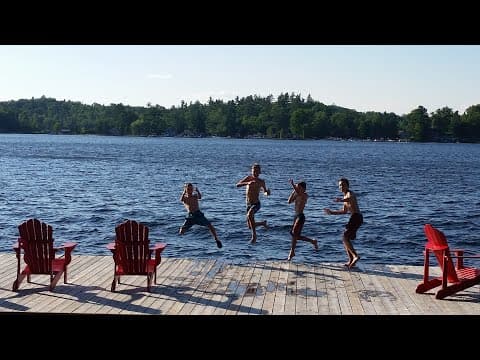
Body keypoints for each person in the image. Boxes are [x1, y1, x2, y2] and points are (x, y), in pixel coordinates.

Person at [324, 177, 363, 268]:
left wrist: (341, 200)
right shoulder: (345, 196)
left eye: (343, 185)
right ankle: (350, 260)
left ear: (347, 186)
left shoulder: (350, 194)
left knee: (345, 237)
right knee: (345, 238)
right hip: (355, 218)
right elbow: (344, 211)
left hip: (356, 217)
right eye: (340, 185)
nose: (341, 187)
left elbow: (350, 199)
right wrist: (331, 212)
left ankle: (355, 256)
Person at [179, 183, 222, 248]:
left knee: (210, 226)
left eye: (191, 189)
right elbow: (181, 200)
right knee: (181, 231)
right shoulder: (185, 198)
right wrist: (184, 192)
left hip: (198, 214)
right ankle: (182, 242)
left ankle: (217, 239)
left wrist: (198, 191)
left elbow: (200, 197)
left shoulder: (195, 196)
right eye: (188, 189)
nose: (190, 190)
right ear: (186, 190)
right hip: (190, 216)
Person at [236, 163, 270, 243]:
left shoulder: (261, 181)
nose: (255, 173)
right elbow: (237, 185)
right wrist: (247, 183)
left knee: (250, 214)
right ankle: (262, 223)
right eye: (254, 171)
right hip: (248, 204)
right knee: (249, 226)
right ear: (252, 171)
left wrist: (267, 193)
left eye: (257, 171)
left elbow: (264, 192)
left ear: (260, 172)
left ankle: (254, 237)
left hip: (256, 204)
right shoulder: (248, 178)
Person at [287, 179, 318, 261]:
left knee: (294, 234)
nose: (298, 189)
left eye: (299, 188)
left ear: (304, 189)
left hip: (301, 216)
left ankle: (292, 251)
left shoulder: (304, 195)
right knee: (295, 236)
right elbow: (289, 201)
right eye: (298, 188)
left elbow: (299, 192)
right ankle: (312, 241)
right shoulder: (297, 194)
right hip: (295, 216)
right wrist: (293, 191)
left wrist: (293, 185)